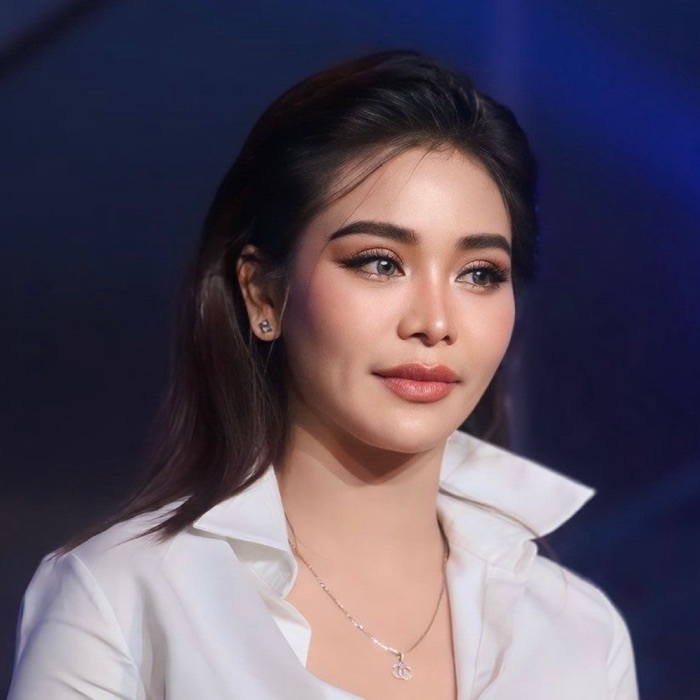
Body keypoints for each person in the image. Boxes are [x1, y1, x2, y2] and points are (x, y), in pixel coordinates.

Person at [8, 50, 638, 699]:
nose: (434, 322)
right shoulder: (125, 597)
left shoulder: (579, 635)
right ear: (263, 294)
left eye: (479, 274)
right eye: (379, 262)